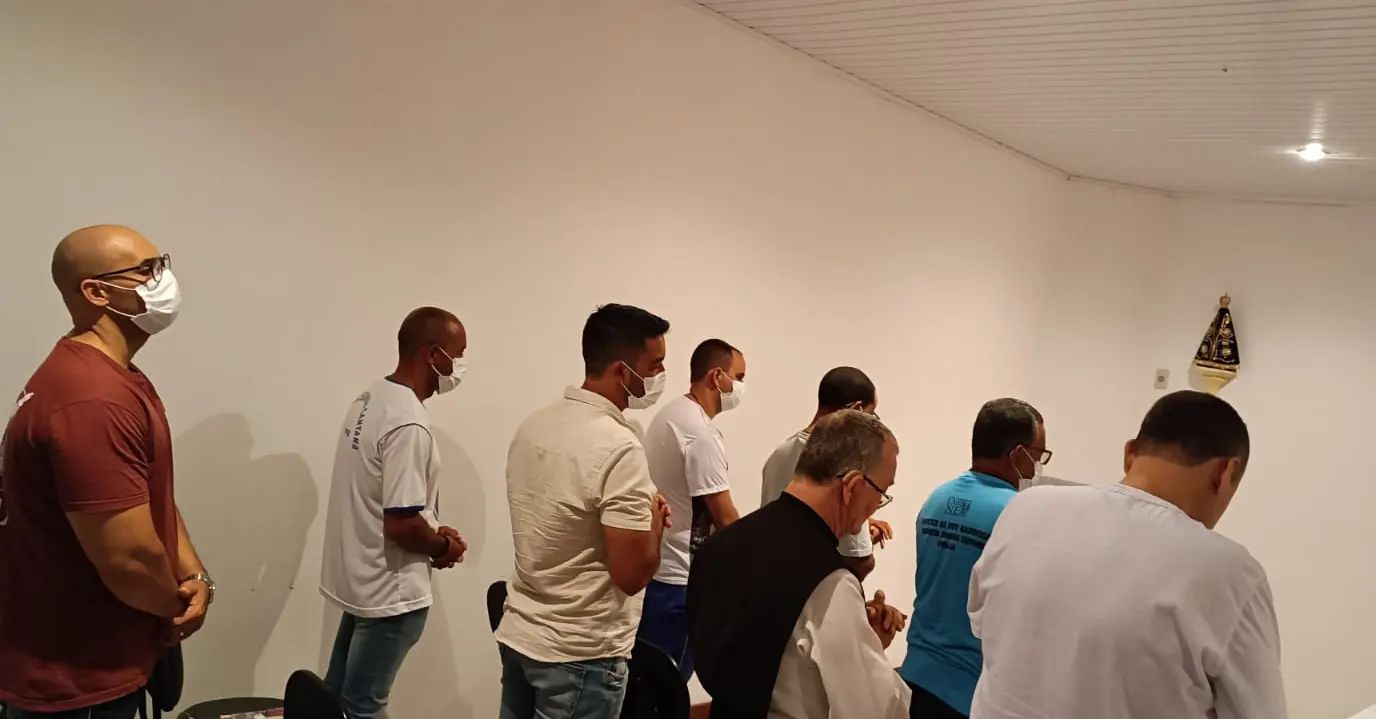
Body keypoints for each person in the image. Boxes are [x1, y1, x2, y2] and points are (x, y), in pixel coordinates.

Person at [0, 225, 213, 718]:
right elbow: (129, 559)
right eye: (147, 270)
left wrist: (193, 574)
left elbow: (147, 493)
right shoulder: (91, 399)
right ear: (96, 292)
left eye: (161, 264)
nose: (163, 279)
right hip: (77, 677)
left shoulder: (114, 376)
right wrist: (176, 609)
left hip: (96, 658)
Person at [968, 391, 1284, 719]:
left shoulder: (1026, 507)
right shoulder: (1230, 573)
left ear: (1129, 453)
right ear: (1225, 472)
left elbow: (981, 621)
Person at [497, 303, 674, 719]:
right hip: (581, 652)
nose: (662, 375)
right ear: (621, 371)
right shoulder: (619, 447)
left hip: (523, 631)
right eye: (655, 365)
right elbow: (631, 576)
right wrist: (653, 528)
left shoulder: (534, 425)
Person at [690, 410, 911, 718]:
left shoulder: (719, 546)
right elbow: (871, 706)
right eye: (882, 492)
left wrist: (859, 637)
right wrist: (867, 650)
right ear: (852, 486)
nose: (877, 505)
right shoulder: (830, 582)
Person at [318, 307, 469, 719]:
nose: (459, 367)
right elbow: (401, 524)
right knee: (362, 706)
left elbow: (384, 500)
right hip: (391, 594)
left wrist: (433, 527)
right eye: (457, 355)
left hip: (363, 582)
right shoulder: (408, 424)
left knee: (337, 699)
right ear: (433, 354)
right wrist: (443, 547)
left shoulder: (370, 399)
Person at [899, 398, 1047, 719]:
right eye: (1038, 456)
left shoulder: (937, 497)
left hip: (915, 676)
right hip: (968, 691)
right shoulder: (1017, 513)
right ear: (1017, 454)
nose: (1037, 466)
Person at [637, 338, 746, 679]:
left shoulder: (671, 415)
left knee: (646, 686)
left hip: (658, 574)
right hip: (680, 585)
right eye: (739, 378)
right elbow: (724, 517)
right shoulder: (700, 433)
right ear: (717, 376)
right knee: (667, 688)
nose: (741, 388)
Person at [761, 366, 893, 579]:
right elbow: (859, 562)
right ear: (856, 409)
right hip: (814, 590)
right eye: (871, 415)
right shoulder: (842, 466)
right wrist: (864, 539)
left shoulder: (779, 454)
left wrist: (862, 524)